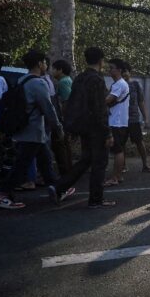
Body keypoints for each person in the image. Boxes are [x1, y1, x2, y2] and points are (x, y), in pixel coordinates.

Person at [0, 50, 67, 209]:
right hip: (32, 132)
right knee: (21, 166)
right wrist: (58, 128)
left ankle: (57, 189)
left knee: (45, 162)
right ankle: (3, 194)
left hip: (28, 131)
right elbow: (48, 108)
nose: (46, 65)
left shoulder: (22, 80)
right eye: (45, 63)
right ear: (40, 64)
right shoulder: (38, 83)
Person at [52, 47, 115, 208]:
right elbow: (100, 108)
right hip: (96, 128)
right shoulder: (97, 79)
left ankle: (59, 186)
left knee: (85, 160)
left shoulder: (80, 78)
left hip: (83, 127)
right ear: (101, 60)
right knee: (99, 163)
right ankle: (96, 199)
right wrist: (107, 133)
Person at [103, 59, 130, 187]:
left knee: (118, 150)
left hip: (117, 122)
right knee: (118, 150)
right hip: (118, 121)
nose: (110, 70)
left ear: (119, 70)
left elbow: (108, 100)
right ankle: (118, 176)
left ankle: (115, 177)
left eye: (112, 68)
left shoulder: (120, 84)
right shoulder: (118, 84)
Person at [123, 63, 150, 173]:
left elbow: (141, 102)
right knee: (121, 144)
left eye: (126, 71)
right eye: (122, 72)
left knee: (139, 142)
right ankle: (123, 166)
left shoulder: (135, 85)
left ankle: (145, 165)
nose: (124, 74)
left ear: (130, 73)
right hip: (121, 120)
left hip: (134, 119)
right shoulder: (117, 85)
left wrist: (146, 117)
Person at [50, 59, 73, 175]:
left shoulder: (63, 82)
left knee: (62, 144)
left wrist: (63, 118)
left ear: (60, 70)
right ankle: (69, 168)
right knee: (66, 144)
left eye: (53, 69)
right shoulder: (67, 80)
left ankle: (66, 170)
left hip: (65, 118)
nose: (52, 71)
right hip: (68, 118)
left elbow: (66, 101)